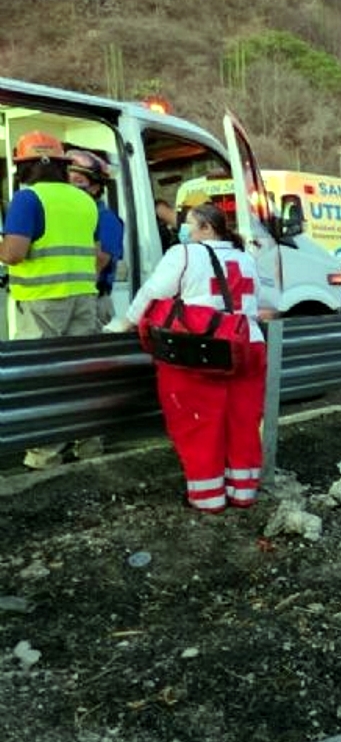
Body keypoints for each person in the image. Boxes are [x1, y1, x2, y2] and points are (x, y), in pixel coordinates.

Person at [105, 203, 274, 513]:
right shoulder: (245, 259)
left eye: (190, 224)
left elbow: (151, 293)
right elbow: (266, 301)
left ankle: (208, 498)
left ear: (207, 229)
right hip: (249, 346)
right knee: (243, 422)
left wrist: (121, 324)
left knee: (198, 424)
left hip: (201, 349)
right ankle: (243, 493)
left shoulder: (184, 254)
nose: (184, 230)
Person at [0, 132, 101, 469]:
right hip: (83, 297)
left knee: (40, 378)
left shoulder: (27, 199)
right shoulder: (84, 201)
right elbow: (98, 255)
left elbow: (14, 254)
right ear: (59, 165)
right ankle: (88, 445)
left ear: (26, 167)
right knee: (81, 373)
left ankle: (44, 455)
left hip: (42, 301)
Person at [65, 149, 124, 328]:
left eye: (78, 181)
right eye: (67, 181)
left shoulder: (106, 218)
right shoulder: (67, 217)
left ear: (95, 187)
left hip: (92, 303)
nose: (71, 186)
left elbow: (99, 262)